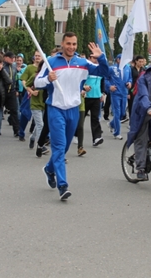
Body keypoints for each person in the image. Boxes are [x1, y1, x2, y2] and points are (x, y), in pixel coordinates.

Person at [35, 33, 109, 200]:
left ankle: (49, 169)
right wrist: (48, 78)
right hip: (55, 109)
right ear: (62, 44)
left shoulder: (83, 63)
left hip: (73, 109)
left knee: (66, 147)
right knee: (59, 148)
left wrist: (101, 57)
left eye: (74, 44)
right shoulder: (51, 62)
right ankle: (63, 185)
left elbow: (105, 73)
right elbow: (37, 82)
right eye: (68, 43)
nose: (71, 47)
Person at [22, 52, 45, 149]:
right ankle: (40, 145)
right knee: (40, 124)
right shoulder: (35, 75)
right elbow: (26, 84)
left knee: (40, 124)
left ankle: (32, 137)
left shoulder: (49, 77)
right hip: (35, 103)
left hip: (44, 103)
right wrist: (32, 91)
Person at [106, 54, 132, 140]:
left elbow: (130, 79)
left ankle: (111, 124)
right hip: (115, 93)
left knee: (122, 114)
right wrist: (110, 87)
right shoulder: (112, 68)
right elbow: (106, 79)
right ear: (118, 60)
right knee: (117, 113)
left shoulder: (128, 68)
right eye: (122, 59)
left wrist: (129, 83)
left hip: (124, 92)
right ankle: (117, 133)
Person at [84, 54, 105, 147]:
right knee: (80, 118)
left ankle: (96, 138)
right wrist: (84, 87)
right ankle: (75, 134)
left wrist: (103, 94)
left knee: (95, 118)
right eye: (93, 58)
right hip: (86, 97)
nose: (95, 60)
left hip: (96, 97)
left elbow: (102, 82)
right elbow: (80, 81)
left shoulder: (100, 70)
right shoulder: (86, 69)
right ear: (89, 58)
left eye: (97, 58)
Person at [2, 51, 20, 139]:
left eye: (13, 58)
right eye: (10, 58)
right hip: (2, 92)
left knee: (15, 110)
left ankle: (17, 130)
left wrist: (16, 89)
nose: (12, 60)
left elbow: (15, 78)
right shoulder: (2, 66)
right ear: (5, 57)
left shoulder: (13, 66)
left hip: (12, 92)